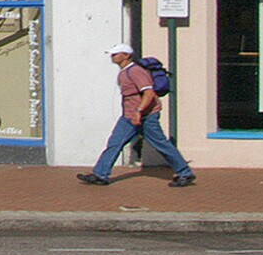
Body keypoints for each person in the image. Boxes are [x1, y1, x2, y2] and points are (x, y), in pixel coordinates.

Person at [77, 42, 195, 188]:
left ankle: (185, 173)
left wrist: (139, 111)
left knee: (161, 144)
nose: (112, 57)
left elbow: (149, 93)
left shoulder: (135, 71)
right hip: (129, 116)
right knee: (115, 143)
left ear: (126, 55)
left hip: (146, 116)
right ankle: (100, 174)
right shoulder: (124, 72)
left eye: (116, 54)